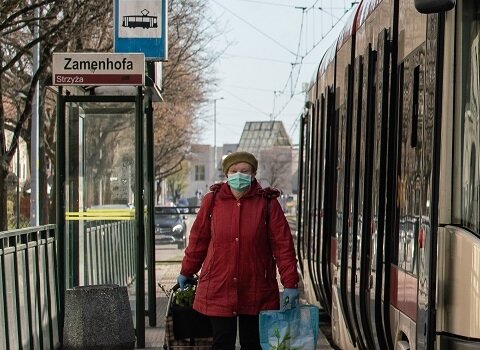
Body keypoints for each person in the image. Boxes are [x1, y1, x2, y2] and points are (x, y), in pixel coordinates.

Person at [176, 151, 299, 350]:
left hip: (256, 286)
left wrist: (291, 282)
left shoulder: (267, 203)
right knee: (222, 342)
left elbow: (283, 246)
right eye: (234, 171)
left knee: (253, 343)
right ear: (227, 174)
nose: (238, 174)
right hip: (219, 285)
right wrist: (186, 270)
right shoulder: (212, 201)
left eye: (244, 171)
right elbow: (198, 240)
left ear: (253, 174)